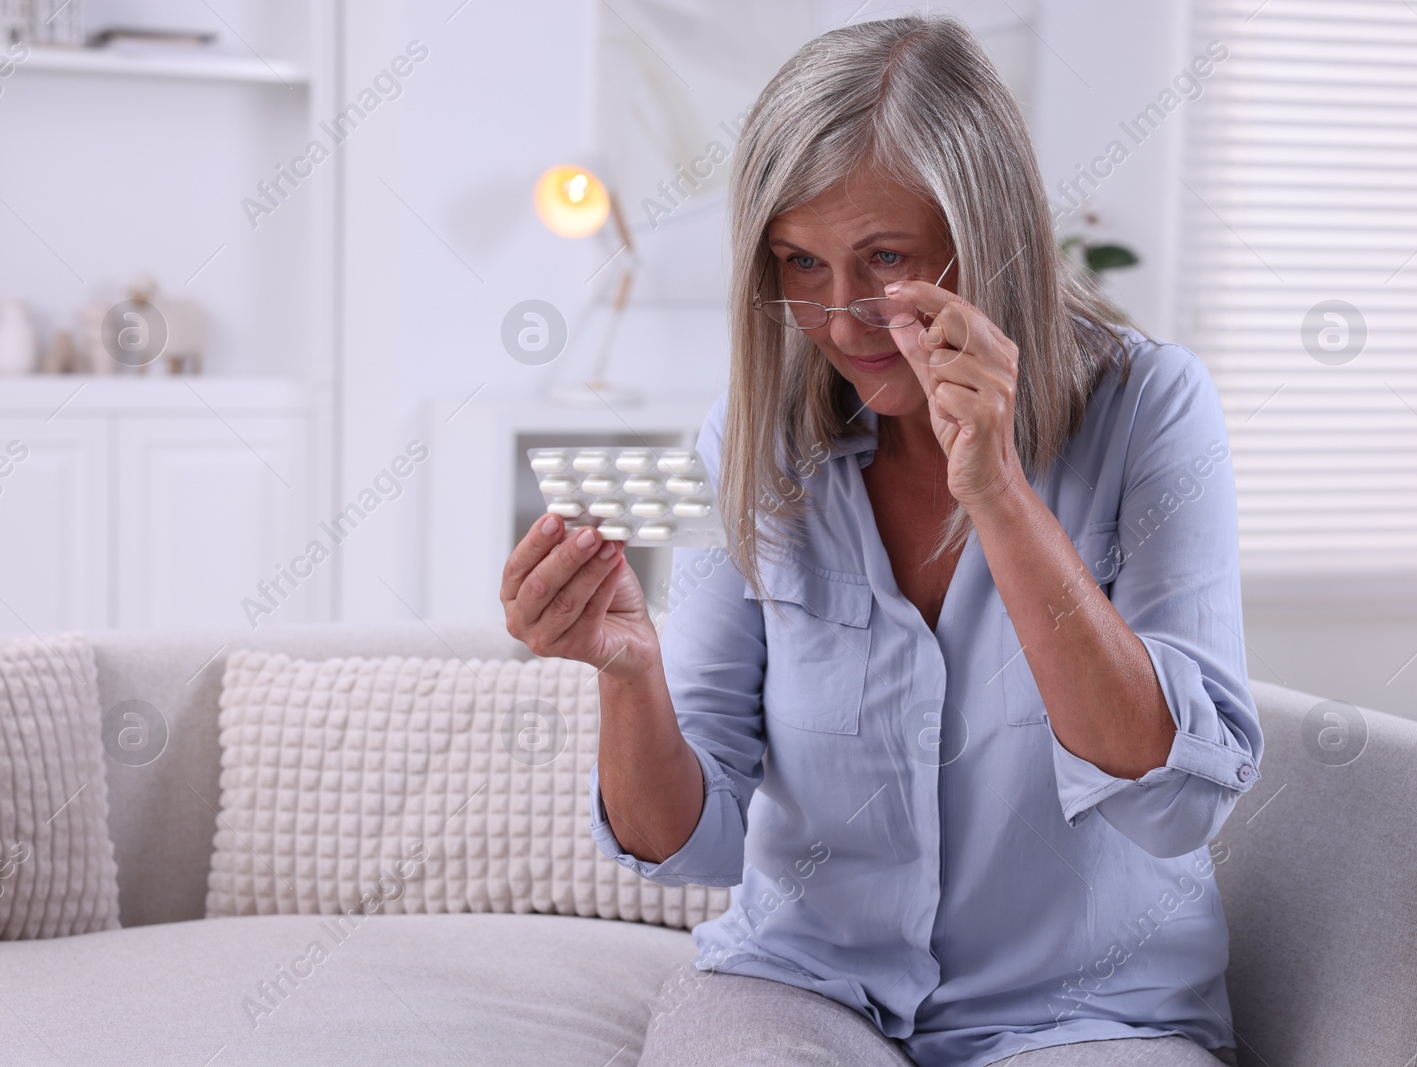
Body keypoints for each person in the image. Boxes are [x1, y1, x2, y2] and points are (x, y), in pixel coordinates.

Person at [501, 13, 1261, 1067]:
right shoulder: (762, 434)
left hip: (1090, 1012)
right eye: (800, 263)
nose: (841, 315)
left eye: (884, 257)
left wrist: (996, 490)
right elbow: (694, 839)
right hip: (804, 983)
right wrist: (629, 673)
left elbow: (1175, 799)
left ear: (985, 233)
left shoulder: (1150, 407)